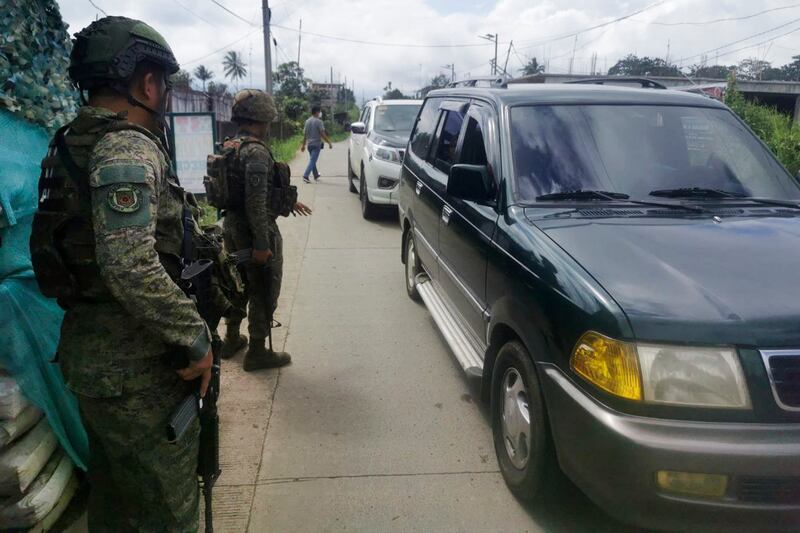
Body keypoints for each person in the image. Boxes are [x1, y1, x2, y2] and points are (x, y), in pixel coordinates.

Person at [29, 16, 210, 531]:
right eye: (164, 85)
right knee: (168, 509)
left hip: (93, 360)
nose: (166, 97)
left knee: (114, 498)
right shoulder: (126, 148)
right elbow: (130, 264)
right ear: (146, 83)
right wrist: (195, 338)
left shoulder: (68, 141)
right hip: (137, 370)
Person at [220, 89, 312, 369]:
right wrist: (262, 245)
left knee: (235, 284)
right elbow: (256, 204)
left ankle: (232, 338)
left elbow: (242, 192)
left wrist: (288, 202)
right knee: (262, 287)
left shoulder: (230, 145)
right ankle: (258, 351)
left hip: (231, 228)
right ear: (261, 119)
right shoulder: (257, 153)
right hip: (254, 231)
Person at [300, 105, 333, 183]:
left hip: (309, 145)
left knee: (312, 160)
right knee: (313, 161)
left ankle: (316, 175)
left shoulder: (307, 121)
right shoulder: (319, 122)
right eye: (319, 111)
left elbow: (305, 134)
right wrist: (329, 142)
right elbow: (322, 133)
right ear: (317, 112)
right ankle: (305, 175)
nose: (320, 113)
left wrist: (303, 145)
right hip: (316, 145)